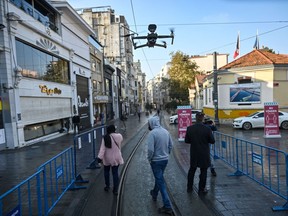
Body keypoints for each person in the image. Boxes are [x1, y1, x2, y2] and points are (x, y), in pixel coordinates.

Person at [147, 116, 173, 214]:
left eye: (149, 123)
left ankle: (167, 206)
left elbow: (150, 150)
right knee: (159, 178)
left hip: (156, 161)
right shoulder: (166, 132)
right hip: (165, 160)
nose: (148, 125)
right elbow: (171, 145)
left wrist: (149, 159)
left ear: (152, 123)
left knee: (161, 182)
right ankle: (154, 193)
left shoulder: (152, 133)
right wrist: (166, 154)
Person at [185, 112, 215, 195]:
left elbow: (187, 141)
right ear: (202, 118)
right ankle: (201, 189)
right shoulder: (207, 129)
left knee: (192, 170)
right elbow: (212, 141)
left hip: (194, 152)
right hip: (204, 153)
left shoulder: (190, 128)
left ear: (196, 118)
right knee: (203, 171)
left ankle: (189, 188)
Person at [97, 125, 124, 195]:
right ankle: (115, 189)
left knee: (106, 171)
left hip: (108, 158)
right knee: (115, 173)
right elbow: (121, 140)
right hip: (117, 157)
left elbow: (102, 149)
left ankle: (107, 186)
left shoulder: (105, 138)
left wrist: (99, 159)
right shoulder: (119, 136)